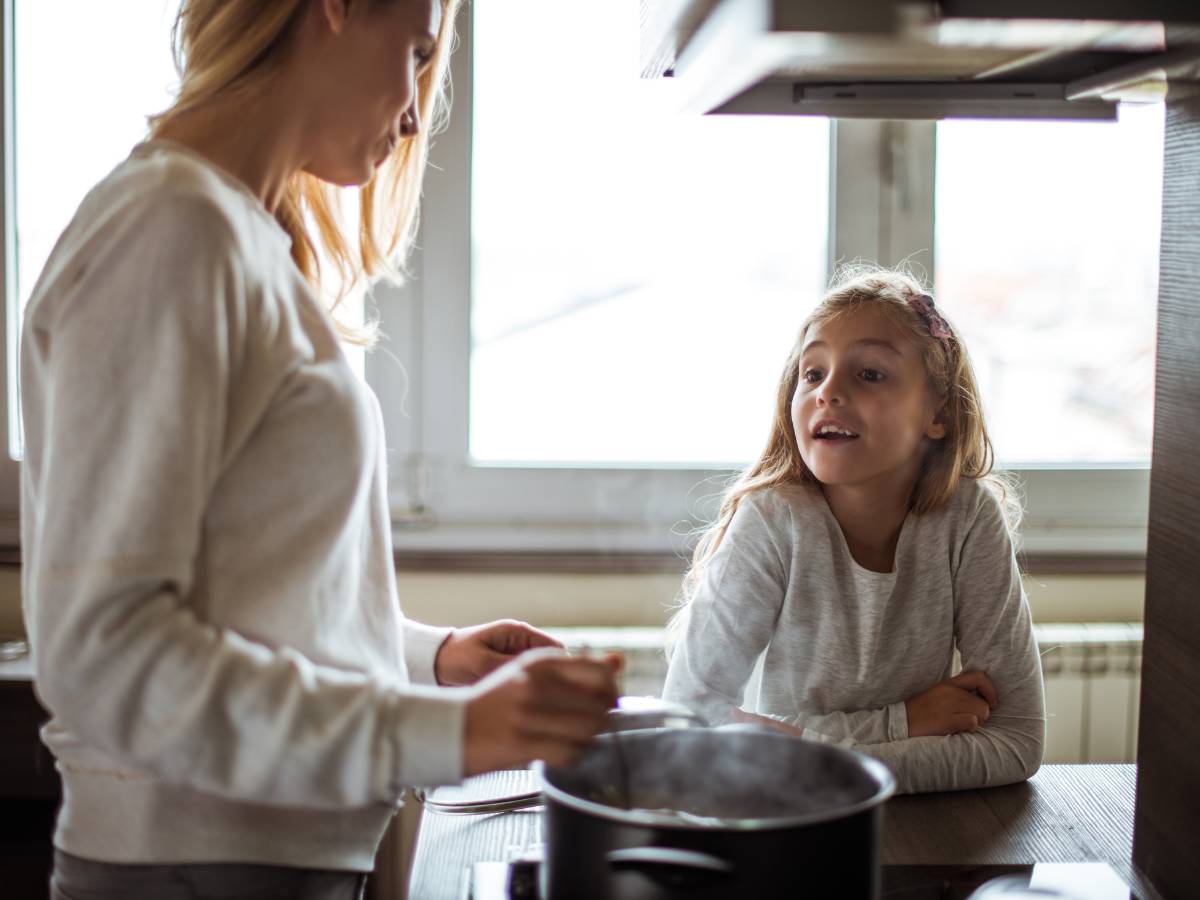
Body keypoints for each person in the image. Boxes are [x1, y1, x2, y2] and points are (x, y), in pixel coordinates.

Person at [20, 1, 619, 897]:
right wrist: (450, 735)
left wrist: (425, 657)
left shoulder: (229, 234)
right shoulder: (171, 232)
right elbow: (106, 651)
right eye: (418, 53)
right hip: (195, 867)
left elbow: (251, 588)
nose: (416, 112)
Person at [661, 266, 1045, 795]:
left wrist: (807, 752)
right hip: (789, 823)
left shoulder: (970, 518)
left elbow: (1016, 743)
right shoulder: (773, 520)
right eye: (812, 373)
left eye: (869, 374)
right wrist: (903, 723)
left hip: (915, 826)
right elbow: (688, 729)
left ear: (939, 413)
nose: (827, 392)